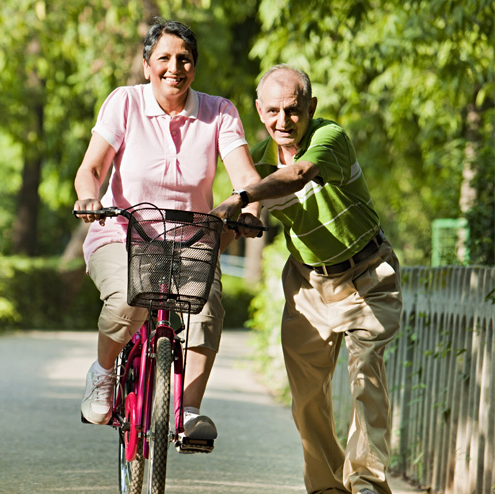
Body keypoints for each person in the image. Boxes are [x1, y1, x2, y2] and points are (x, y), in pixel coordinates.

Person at [212, 65, 403, 494]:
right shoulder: (258, 160)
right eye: (274, 111)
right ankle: (327, 488)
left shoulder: (329, 137)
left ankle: (368, 481)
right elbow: (248, 211)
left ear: (310, 107)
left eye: (294, 110)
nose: (284, 122)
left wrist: (242, 196)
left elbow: (295, 176)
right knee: (306, 400)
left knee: (366, 376)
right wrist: (235, 221)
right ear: (260, 111)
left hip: (368, 273)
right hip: (307, 286)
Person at [73, 19, 262, 442]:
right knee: (129, 297)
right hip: (122, 233)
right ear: (146, 65)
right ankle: (103, 372)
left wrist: (248, 205)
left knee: (207, 309)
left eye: (184, 59)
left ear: (194, 67)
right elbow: (91, 169)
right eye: (164, 58)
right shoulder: (124, 103)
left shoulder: (219, 113)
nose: (174, 67)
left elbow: (246, 177)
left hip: (190, 240)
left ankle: (189, 410)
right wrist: (89, 198)